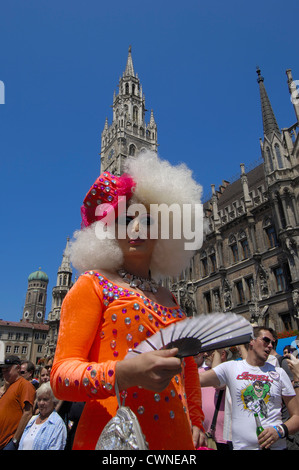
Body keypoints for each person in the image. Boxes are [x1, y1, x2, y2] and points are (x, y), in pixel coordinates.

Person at [50, 150, 206, 450]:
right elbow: (60, 377)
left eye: (147, 219)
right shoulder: (93, 284)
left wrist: (197, 421)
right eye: (125, 218)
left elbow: (188, 373)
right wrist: (122, 373)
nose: (135, 228)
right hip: (114, 438)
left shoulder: (169, 297)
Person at [199, 327, 299, 450]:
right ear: (251, 341)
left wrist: (279, 431)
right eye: (266, 340)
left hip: (276, 447)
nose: (270, 346)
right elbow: (197, 380)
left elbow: (297, 417)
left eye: (272, 343)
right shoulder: (231, 368)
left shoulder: (279, 373)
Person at [195, 350, 232, 450]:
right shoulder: (200, 372)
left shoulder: (229, 372)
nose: (205, 354)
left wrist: (217, 353)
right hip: (204, 435)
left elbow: (217, 379)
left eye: (211, 352)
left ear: (222, 354)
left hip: (223, 438)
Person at [0, 355, 36, 450]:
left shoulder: (25, 385)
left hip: (9, 441)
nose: (5, 374)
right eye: (3, 371)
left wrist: (15, 440)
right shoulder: (10, 386)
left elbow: (27, 413)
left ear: (18, 368)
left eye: (7, 370)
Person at [18, 382, 67, 450]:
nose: (41, 403)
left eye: (45, 399)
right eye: (39, 399)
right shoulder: (32, 420)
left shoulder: (57, 424)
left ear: (54, 401)